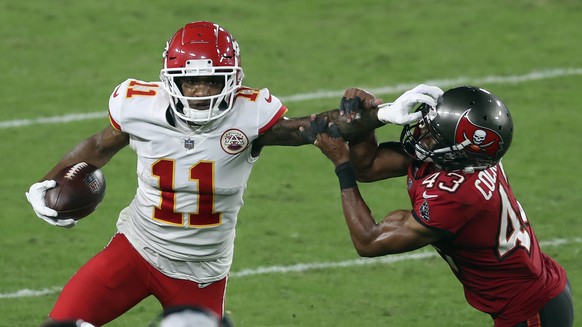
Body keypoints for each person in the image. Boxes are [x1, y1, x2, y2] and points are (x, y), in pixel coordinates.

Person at [24, 21, 381, 326]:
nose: (200, 92)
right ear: (169, 80)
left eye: (211, 81)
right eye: (190, 82)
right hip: (136, 249)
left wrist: (375, 115)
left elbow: (315, 127)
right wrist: (48, 182)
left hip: (201, 274)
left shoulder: (250, 115)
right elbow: (99, 146)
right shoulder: (139, 107)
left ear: (232, 79)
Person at [312, 84, 574, 326]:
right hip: (536, 287)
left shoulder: (457, 197)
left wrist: (342, 166)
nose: (421, 134)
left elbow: (369, 241)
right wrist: (367, 121)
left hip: (530, 310)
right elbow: (368, 167)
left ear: (457, 150)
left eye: (433, 134)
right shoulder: (462, 158)